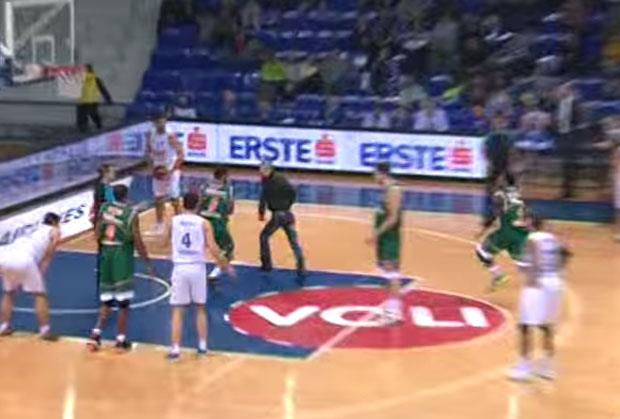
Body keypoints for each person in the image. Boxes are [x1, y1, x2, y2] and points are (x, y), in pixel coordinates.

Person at [166, 192, 235, 361]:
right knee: (200, 308)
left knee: (178, 310)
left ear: (183, 203)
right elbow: (213, 248)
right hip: (197, 267)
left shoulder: (173, 221)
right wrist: (226, 266)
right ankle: (202, 347)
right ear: (198, 205)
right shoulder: (203, 223)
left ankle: (175, 350)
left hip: (180, 267)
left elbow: (162, 241)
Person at [86, 184, 152, 352]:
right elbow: (137, 240)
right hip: (121, 257)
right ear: (126, 195)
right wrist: (147, 261)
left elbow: (96, 233)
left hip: (106, 255)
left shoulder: (104, 208)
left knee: (107, 300)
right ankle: (120, 340)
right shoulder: (131, 214)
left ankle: (95, 335)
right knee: (123, 302)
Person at [508, 215, 571, 381]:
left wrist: (532, 278)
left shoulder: (532, 239)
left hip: (537, 285)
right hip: (555, 283)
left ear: (531, 225)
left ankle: (524, 369)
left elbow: (532, 262)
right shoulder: (553, 238)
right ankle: (547, 368)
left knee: (525, 326)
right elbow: (567, 253)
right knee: (547, 326)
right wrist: (559, 272)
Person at [0, 213, 61, 340]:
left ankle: (3, 327)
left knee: (9, 293)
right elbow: (49, 254)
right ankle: (45, 331)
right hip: (23, 258)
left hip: (5, 255)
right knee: (40, 294)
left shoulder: (33, 227)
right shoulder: (54, 230)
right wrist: (41, 271)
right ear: (55, 223)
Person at [366, 162, 405, 322]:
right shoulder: (386, 189)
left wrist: (376, 234)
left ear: (382, 174)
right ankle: (390, 310)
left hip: (390, 238)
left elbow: (393, 218)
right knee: (387, 275)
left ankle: (395, 313)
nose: (373, 177)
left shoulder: (394, 190)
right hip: (385, 238)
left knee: (393, 275)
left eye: (375, 174)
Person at [475, 181, 530, 291]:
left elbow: (493, 216)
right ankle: (543, 277)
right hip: (521, 237)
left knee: (481, 252)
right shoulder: (522, 205)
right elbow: (528, 222)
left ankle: (498, 275)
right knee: (522, 264)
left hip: (505, 234)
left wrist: (482, 231)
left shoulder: (503, 200)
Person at [258, 162, 306, 281]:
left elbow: (263, 198)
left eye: (262, 170)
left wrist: (261, 213)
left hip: (278, 215)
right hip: (288, 214)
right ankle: (301, 266)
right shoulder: (281, 178)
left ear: (268, 170)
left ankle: (267, 265)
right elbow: (293, 192)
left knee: (264, 236)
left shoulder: (268, 182)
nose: (260, 172)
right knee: (294, 242)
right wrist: (288, 205)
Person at [146, 113, 184, 234]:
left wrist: (170, 171)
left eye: (163, 121)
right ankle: (159, 223)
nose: (161, 124)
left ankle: (180, 222)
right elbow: (148, 152)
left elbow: (181, 155)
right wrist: (152, 169)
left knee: (174, 198)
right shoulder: (151, 134)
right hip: (158, 169)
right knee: (158, 197)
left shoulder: (170, 135)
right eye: (158, 122)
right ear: (154, 123)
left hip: (171, 169)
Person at [199, 166, 235, 282]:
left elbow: (199, 204)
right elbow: (230, 209)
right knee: (228, 248)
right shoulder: (227, 188)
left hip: (203, 221)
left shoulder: (204, 186)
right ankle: (214, 273)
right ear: (224, 176)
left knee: (200, 246)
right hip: (218, 223)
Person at [77, 64, 112, 133]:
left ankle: (83, 130)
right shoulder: (95, 78)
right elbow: (102, 89)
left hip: (83, 101)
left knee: (82, 117)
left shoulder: (80, 78)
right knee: (93, 115)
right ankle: (98, 127)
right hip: (91, 101)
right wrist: (108, 99)